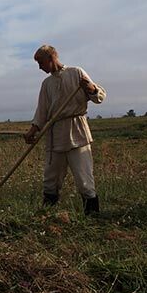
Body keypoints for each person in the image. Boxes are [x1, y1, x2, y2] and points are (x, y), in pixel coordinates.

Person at [23, 44, 106, 215]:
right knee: (50, 179)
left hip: (77, 131)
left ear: (51, 58)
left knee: (84, 179)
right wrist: (33, 130)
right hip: (56, 134)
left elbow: (99, 97)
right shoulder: (46, 84)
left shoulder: (76, 72)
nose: (39, 67)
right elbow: (42, 111)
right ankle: (47, 215)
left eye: (41, 63)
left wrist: (90, 89)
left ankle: (92, 217)